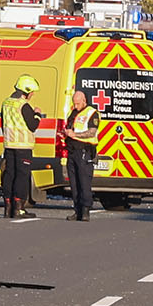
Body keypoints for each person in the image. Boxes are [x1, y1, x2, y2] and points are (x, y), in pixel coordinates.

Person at [0, 75, 43, 217]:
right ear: (27, 90)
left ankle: (8, 208)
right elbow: (33, 125)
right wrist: (37, 114)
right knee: (22, 177)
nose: (32, 95)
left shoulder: (6, 103)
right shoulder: (24, 106)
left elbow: (3, 124)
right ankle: (19, 209)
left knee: (9, 175)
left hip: (9, 145)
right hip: (23, 147)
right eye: (32, 92)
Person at [61, 88, 101, 221]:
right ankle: (77, 210)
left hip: (85, 151)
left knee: (84, 182)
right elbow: (72, 127)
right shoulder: (74, 112)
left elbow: (91, 132)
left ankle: (85, 211)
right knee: (74, 183)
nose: (76, 106)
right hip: (72, 151)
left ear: (84, 101)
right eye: (74, 103)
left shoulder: (92, 113)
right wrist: (65, 133)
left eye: (78, 103)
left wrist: (75, 135)